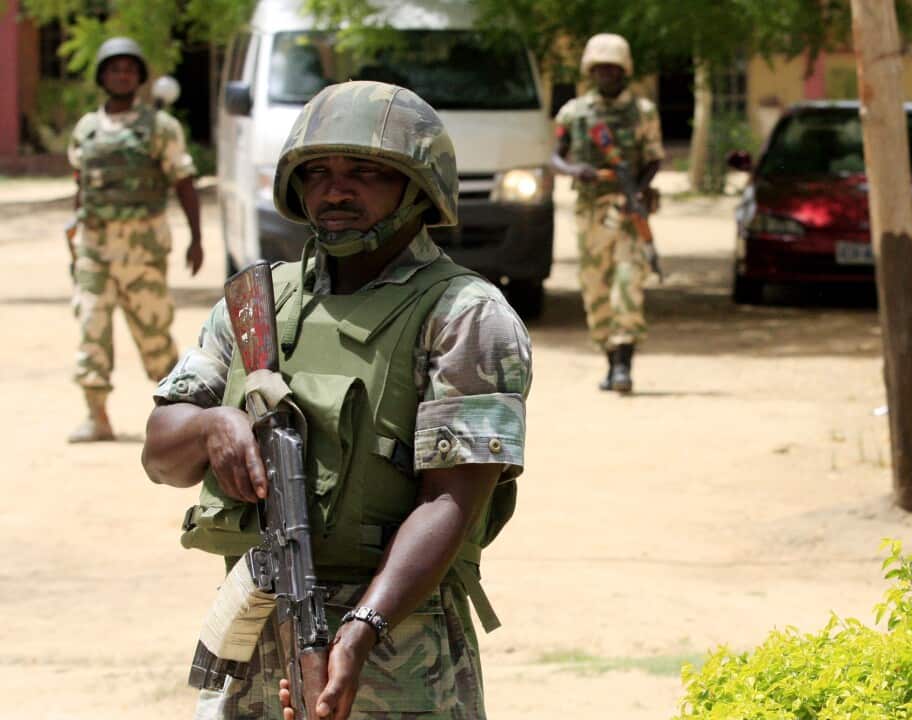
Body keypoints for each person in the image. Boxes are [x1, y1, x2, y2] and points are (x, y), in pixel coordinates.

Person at [141, 81, 532, 720]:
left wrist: (357, 632)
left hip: (399, 642)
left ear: (418, 185)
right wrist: (213, 425)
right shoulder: (257, 304)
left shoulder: (465, 314)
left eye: (366, 172)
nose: (336, 189)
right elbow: (161, 452)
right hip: (255, 627)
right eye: (317, 172)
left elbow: (452, 498)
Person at [66, 36, 203, 443]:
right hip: (94, 248)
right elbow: (82, 186)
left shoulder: (161, 128)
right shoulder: (87, 129)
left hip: (142, 250)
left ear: (139, 77)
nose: (121, 75)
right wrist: (74, 237)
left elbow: (184, 182)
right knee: (92, 330)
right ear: (103, 76)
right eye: (114, 68)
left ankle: (176, 415)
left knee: (154, 334)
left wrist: (197, 237)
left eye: (129, 68)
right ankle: (97, 417)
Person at [551, 33, 664, 393]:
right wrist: (574, 171)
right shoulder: (573, 111)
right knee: (595, 288)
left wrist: (638, 189)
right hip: (589, 211)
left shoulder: (642, 112)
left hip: (628, 211)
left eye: (612, 69)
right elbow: (554, 155)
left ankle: (624, 365)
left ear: (624, 71)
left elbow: (654, 157)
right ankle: (610, 358)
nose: (606, 75)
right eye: (599, 69)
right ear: (590, 71)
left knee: (629, 282)